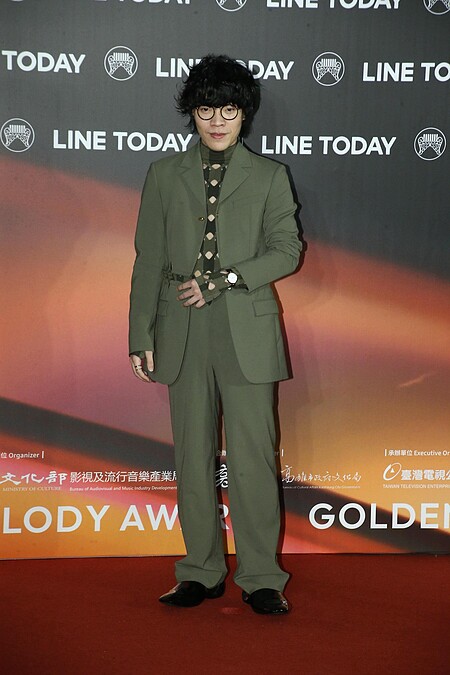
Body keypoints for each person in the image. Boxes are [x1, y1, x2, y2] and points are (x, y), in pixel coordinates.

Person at [129, 54, 301, 615]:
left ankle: (262, 577)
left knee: (254, 458)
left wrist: (226, 278)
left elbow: (287, 250)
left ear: (244, 112)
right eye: (206, 109)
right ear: (193, 113)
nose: (217, 120)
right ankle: (200, 571)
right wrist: (140, 332)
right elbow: (148, 259)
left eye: (228, 109)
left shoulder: (270, 175)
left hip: (246, 327)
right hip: (181, 327)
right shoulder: (163, 174)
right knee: (193, 456)